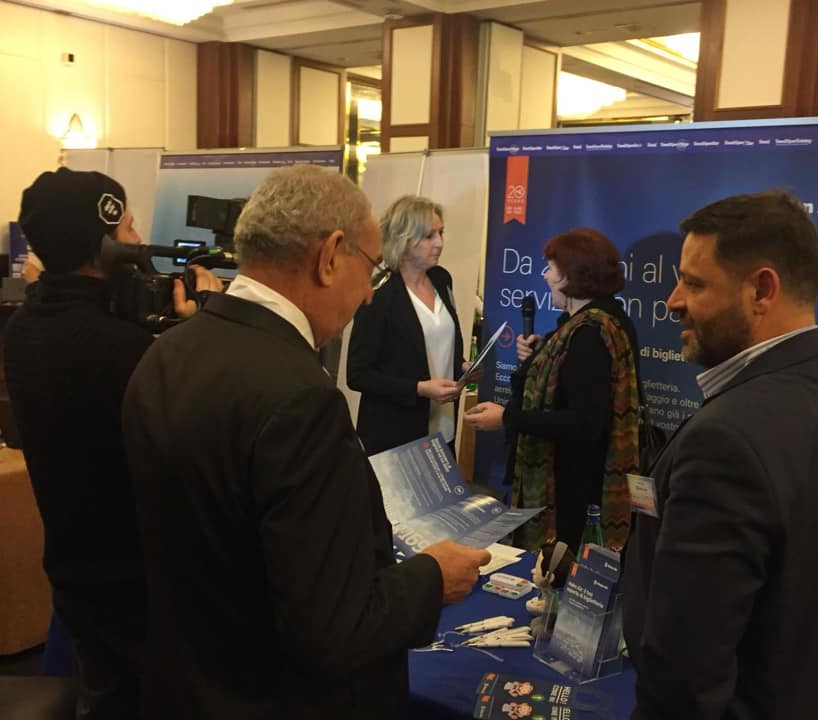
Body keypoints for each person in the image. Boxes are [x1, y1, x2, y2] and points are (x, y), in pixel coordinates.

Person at [121, 166, 490, 719]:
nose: (368, 296)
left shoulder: (165, 353)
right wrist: (432, 577)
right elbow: (334, 627)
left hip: (186, 684)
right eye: (370, 269)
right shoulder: (300, 399)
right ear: (330, 256)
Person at [620, 190, 818, 720]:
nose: (672, 301)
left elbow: (684, 678)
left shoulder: (726, 438)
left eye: (694, 283)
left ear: (762, 289)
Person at [3, 167, 221, 719]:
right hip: (141, 584)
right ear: (102, 245)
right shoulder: (124, 349)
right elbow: (201, 436)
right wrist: (203, 328)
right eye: (127, 227)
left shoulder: (23, 329)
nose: (137, 237)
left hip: (76, 573)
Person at [466, 228, 640, 551]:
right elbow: (569, 383)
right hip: (574, 487)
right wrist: (539, 358)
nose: (545, 276)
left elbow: (584, 423)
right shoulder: (595, 322)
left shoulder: (590, 333)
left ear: (571, 275)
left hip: (572, 497)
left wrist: (507, 418)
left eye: (550, 268)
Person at [347, 195, 475, 455]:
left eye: (440, 233)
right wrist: (419, 388)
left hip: (444, 426)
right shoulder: (379, 294)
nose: (439, 243)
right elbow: (358, 374)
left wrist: (462, 366)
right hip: (396, 436)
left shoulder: (441, 279)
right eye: (429, 236)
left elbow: (438, 343)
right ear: (403, 240)